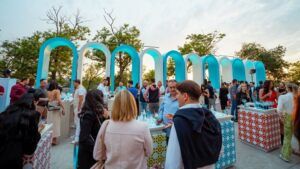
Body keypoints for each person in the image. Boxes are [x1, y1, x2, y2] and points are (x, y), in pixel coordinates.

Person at [165, 80, 222, 169]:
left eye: (178, 94)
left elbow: (173, 161)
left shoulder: (179, 121)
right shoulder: (210, 116)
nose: (176, 97)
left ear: (185, 96)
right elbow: (219, 148)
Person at [93, 90, 153, 169]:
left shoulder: (106, 125)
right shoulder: (143, 127)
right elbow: (149, 152)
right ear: (133, 105)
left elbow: (97, 155)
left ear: (115, 106)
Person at [0, 93, 41, 169]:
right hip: (15, 155)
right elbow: (31, 144)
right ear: (34, 102)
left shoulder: (6, 112)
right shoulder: (33, 115)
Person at [77, 90, 109, 169]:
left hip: (92, 153)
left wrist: (106, 117)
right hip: (89, 155)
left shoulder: (95, 113)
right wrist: (98, 150)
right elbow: (84, 138)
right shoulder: (89, 115)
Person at [277, 83, 298, 162]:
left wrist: (281, 118)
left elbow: (279, 110)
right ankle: (291, 151)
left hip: (289, 118)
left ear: (287, 88)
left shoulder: (283, 97)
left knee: (287, 137)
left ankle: (285, 155)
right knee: (294, 136)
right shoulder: (297, 97)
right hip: (297, 118)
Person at [47, 80, 65, 145]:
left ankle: (49, 138)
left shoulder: (48, 91)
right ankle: (54, 140)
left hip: (50, 107)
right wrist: (63, 108)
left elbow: (48, 99)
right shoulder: (57, 91)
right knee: (56, 123)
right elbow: (59, 100)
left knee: (50, 122)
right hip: (56, 108)